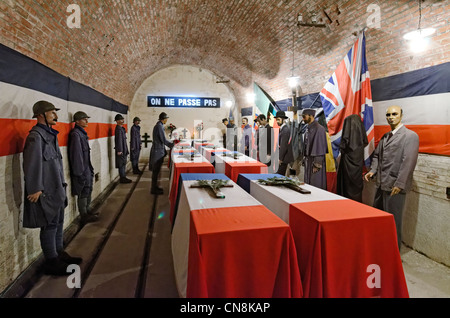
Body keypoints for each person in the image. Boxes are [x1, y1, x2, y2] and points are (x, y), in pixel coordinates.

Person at [23, 100, 82, 276]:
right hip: (46, 191)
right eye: (52, 112)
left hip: (56, 188)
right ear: (41, 115)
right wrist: (35, 188)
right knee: (49, 225)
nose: (55, 115)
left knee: (57, 223)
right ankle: (51, 261)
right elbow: (31, 164)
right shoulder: (36, 136)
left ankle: (58, 253)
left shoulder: (49, 134)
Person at [364, 105, 419, 250]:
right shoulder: (385, 136)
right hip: (381, 184)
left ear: (401, 115)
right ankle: (381, 249)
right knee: (379, 218)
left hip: (395, 186)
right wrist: (373, 170)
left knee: (393, 221)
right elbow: (377, 155)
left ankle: (393, 254)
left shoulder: (410, 136)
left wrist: (400, 183)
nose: (391, 117)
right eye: (388, 114)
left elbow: (408, 162)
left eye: (394, 114)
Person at [68, 111, 98, 225]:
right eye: (84, 119)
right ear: (77, 121)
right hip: (82, 170)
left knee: (88, 189)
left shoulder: (82, 133)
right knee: (83, 192)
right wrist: (79, 172)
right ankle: (83, 214)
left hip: (86, 168)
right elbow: (76, 155)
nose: (87, 121)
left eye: (86, 118)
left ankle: (88, 210)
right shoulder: (76, 134)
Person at [337, 114, 368, 202]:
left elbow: (344, 144)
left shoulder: (347, 152)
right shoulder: (361, 146)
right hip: (357, 172)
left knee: (347, 189)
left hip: (347, 165)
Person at [302, 108, 327, 189]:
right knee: (308, 184)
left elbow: (320, 148)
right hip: (308, 160)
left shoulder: (319, 129)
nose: (303, 119)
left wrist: (317, 164)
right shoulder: (308, 128)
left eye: (304, 116)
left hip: (314, 162)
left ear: (311, 116)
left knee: (316, 184)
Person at [150, 112, 174, 195]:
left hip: (158, 150)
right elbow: (163, 139)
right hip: (158, 151)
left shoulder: (159, 125)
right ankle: (153, 189)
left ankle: (155, 187)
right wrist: (172, 145)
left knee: (156, 171)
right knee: (156, 171)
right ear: (163, 119)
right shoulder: (159, 126)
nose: (167, 120)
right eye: (166, 118)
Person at [275, 111, 294, 176]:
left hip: (284, 158)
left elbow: (284, 146)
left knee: (280, 176)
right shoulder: (283, 129)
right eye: (276, 119)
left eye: (278, 119)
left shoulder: (285, 130)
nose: (277, 121)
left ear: (283, 119)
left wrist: (280, 158)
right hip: (283, 157)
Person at [114, 114, 132, 183]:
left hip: (123, 149)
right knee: (121, 164)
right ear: (117, 121)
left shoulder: (121, 128)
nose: (122, 120)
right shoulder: (118, 129)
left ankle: (123, 176)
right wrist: (119, 150)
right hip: (121, 150)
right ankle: (122, 178)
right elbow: (119, 141)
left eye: (122, 119)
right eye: (121, 119)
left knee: (123, 164)